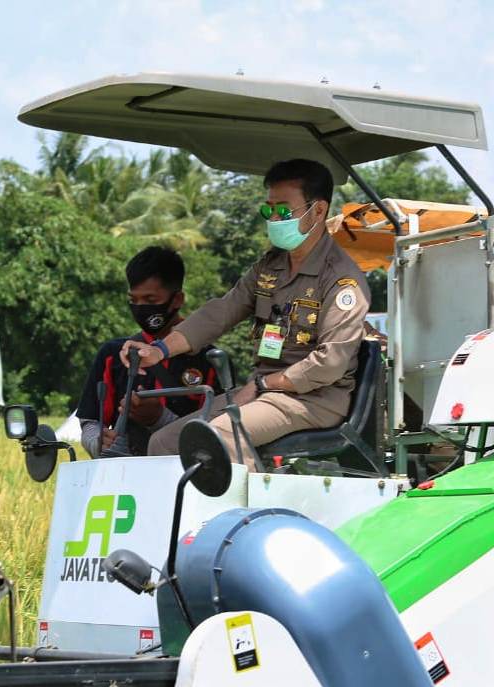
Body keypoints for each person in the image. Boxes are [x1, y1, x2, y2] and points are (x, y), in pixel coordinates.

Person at [121, 159, 370, 470]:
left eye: (283, 210)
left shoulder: (341, 280)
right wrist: (158, 350)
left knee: (222, 434)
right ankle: (179, 518)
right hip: (261, 391)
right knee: (164, 442)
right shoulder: (270, 266)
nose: (274, 219)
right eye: (269, 210)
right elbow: (222, 311)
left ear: (318, 211)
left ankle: (249, 516)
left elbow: (330, 363)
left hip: (313, 399)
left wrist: (268, 385)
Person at [75, 246, 220, 458]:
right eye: (134, 300)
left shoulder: (210, 360)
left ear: (177, 300)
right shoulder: (112, 353)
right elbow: (90, 421)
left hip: (184, 477)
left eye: (151, 301)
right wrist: (97, 440)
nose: (141, 308)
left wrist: (159, 418)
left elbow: (218, 433)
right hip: (124, 475)